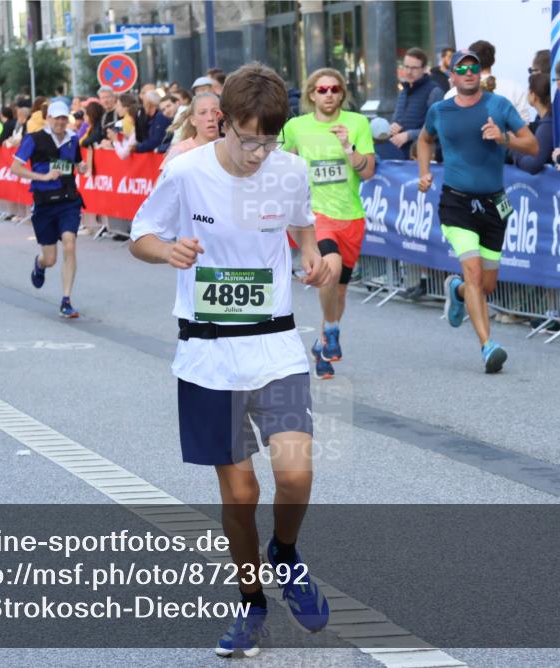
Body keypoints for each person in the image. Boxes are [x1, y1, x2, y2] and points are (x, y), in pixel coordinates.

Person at [130, 62, 335, 658]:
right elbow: (142, 234)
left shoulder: (288, 169)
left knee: (296, 474)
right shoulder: (186, 173)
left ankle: (286, 554)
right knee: (240, 494)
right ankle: (251, 606)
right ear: (222, 123)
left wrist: (314, 254)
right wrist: (167, 249)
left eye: (268, 142)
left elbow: (304, 227)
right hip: (208, 354)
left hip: (275, 345)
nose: (257, 154)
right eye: (248, 140)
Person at [416, 49, 538, 373]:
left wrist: (504, 137)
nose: (469, 72)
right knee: (471, 271)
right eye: (462, 68)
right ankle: (488, 345)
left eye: (474, 67)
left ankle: (455, 291)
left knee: (485, 285)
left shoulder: (498, 106)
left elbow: (533, 145)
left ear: (480, 73)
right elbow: (424, 141)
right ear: (452, 76)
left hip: (494, 204)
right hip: (456, 202)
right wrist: (424, 172)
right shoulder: (439, 111)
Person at [281, 67, 374, 379]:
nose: (329, 94)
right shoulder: (296, 126)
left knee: (339, 291)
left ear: (342, 93)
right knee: (328, 270)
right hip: (316, 217)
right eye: (322, 90)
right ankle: (332, 329)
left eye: (334, 89)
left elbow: (368, 172)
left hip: (351, 217)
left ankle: (322, 344)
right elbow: (276, 163)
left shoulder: (357, 123)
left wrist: (349, 148)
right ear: (311, 94)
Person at [10, 100, 89, 318]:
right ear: (49, 119)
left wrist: (81, 168)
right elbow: (15, 167)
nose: (60, 122)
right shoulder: (34, 139)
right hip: (44, 202)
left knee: (70, 243)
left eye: (64, 118)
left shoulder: (73, 139)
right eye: (56, 118)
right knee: (51, 258)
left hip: (68, 200)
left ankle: (66, 300)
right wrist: (42, 176)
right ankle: (40, 264)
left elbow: (77, 165)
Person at [444, 40, 531, 124]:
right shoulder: (513, 87)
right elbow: (525, 122)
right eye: (462, 69)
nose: (468, 73)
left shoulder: (451, 94)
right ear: (493, 60)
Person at [380, 47, 443, 160]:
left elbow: (437, 129)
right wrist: (392, 126)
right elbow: (398, 121)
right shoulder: (404, 90)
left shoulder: (434, 91)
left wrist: (409, 135)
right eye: (406, 67)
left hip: (421, 158)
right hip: (400, 157)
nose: (409, 72)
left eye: (414, 68)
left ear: (424, 69)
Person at [161, 92, 221, 168]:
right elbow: (164, 178)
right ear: (193, 120)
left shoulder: (231, 147)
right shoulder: (180, 150)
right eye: (203, 113)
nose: (210, 118)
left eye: (215, 112)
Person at [512, 73, 552, 173]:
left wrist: (514, 149)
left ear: (533, 96)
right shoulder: (543, 120)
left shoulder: (548, 125)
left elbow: (533, 164)